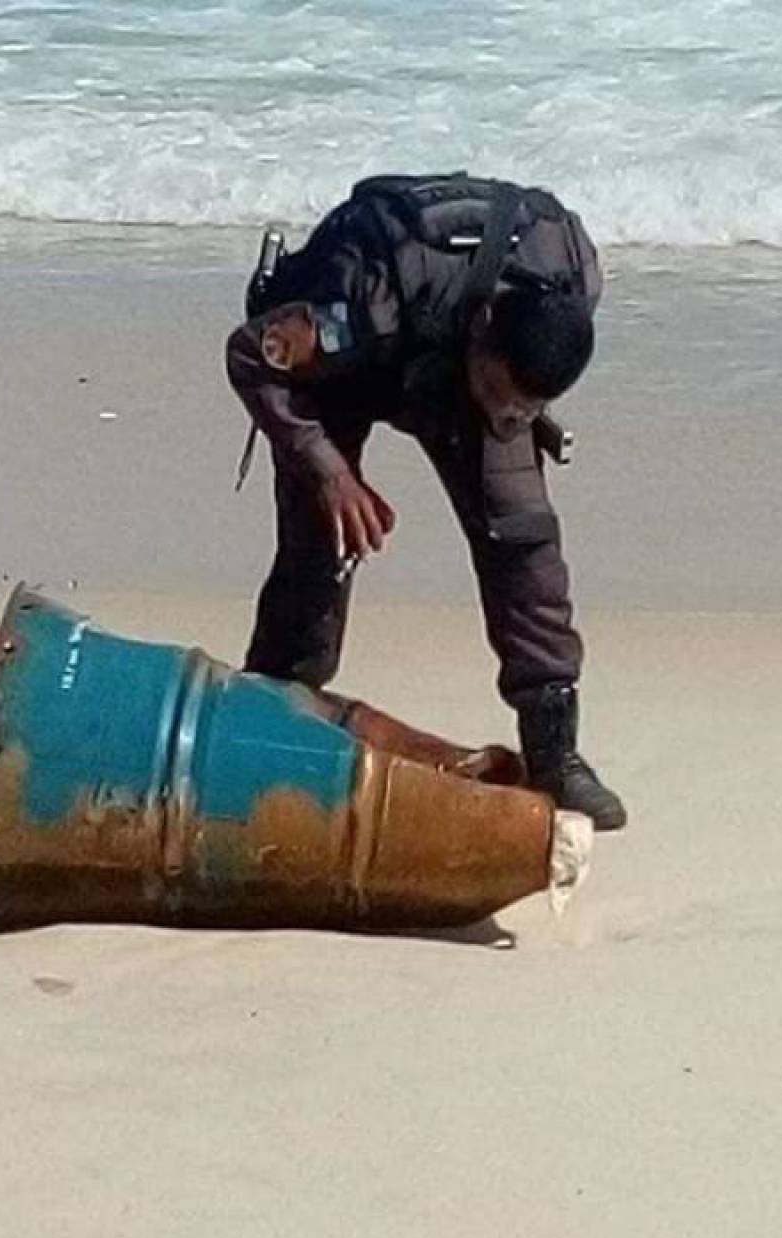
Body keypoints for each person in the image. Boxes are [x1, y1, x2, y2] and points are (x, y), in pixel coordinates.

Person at [225, 171, 626, 831]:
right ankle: (264, 721)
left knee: (524, 540)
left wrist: (508, 408)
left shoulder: (571, 271)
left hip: (451, 369)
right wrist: (325, 468)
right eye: (504, 394)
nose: (509, 414)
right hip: (347, 367)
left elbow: (511, 398)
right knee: (319, 549)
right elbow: (251, 354)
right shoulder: (367, 297)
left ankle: (556, 756)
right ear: (487, 328)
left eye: (527, 406)